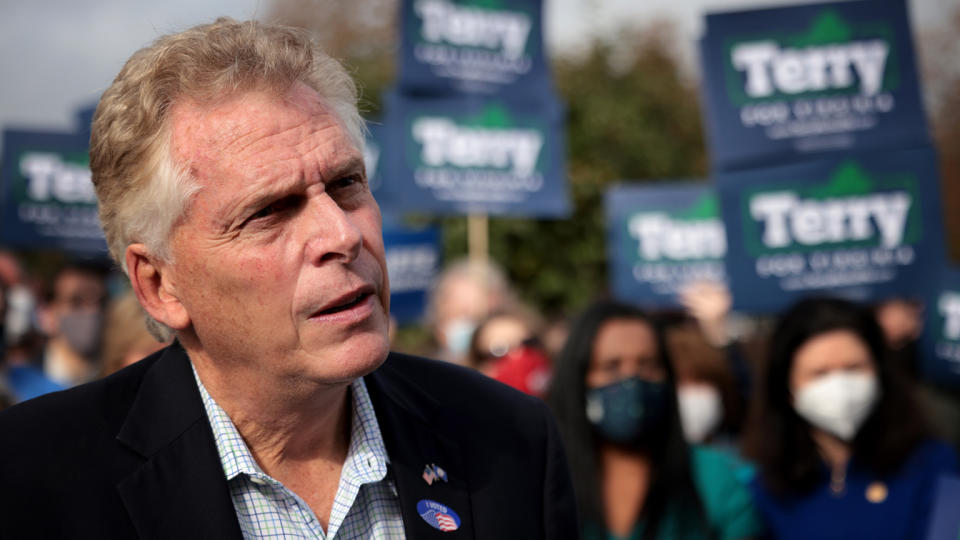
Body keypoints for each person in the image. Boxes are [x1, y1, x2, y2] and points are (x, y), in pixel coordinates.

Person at [0, 19, 577, 539]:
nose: (342, 235)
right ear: (159, 285)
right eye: (270, 211)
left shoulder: (508, 439)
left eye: (347, 183)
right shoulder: (31, 477)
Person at [743, 297, 957, 540]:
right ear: (787, 389)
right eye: (819, 373)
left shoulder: (936, 464)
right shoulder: (765, 486)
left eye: (854, 368)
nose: (840, 386)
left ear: (880, 372)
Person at [548, 299, 763, 540]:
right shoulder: (541, 481)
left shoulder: (713, 477)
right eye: (611, 367)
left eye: (647, 365)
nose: (632, 380)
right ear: (577, 378)